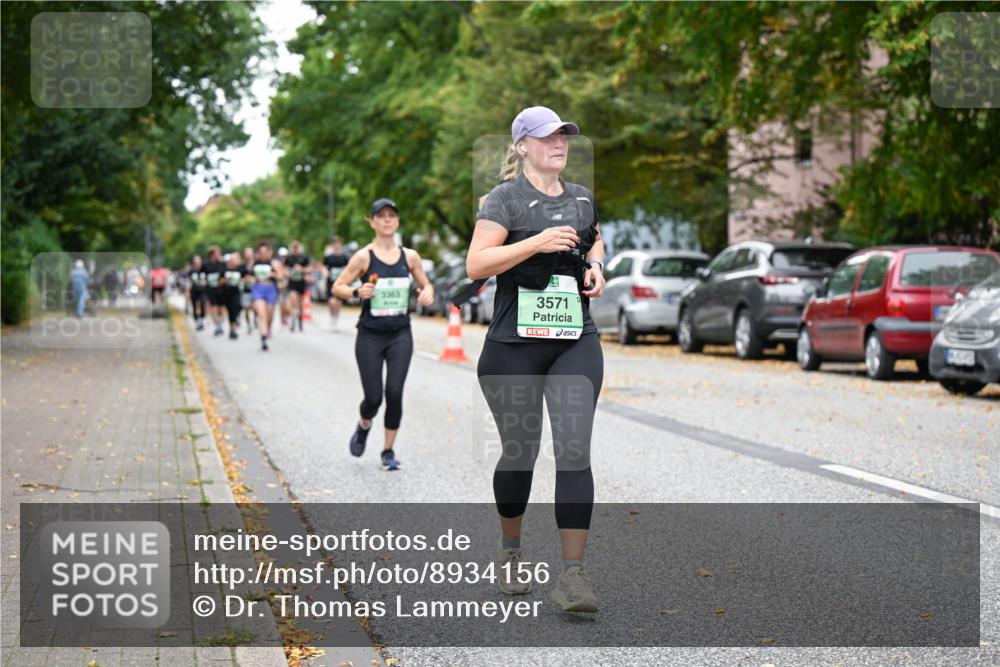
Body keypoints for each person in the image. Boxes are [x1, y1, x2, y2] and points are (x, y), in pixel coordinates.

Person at [464, 106, 606, 612]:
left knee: (574, 449)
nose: (559, 144)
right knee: (520, 452)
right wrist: (538, 242)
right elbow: (476, 264)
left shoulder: (583, 199)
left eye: (564, 135)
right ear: (522, 146)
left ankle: (573, 577)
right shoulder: (503, 199)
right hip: (513, 345)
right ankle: (510, 551)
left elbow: (595, 240)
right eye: (547, 137)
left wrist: (595, 266)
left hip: (574, 336)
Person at [332, 199, 434, 471]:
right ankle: (364, 423)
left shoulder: (410, 256)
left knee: (395, 392)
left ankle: (388, 451)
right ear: (373, 221)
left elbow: (427, 285)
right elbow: (337, 286)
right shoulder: (364, 257)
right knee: (374, 398)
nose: (387, 220)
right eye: (381, 216)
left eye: (392, 216)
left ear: (397, 221)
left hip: (400, 333)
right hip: (370, 335)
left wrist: (427, 293)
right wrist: (356, 292)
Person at [251, 242, 283, 351]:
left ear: (269, 253)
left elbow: (281, 276)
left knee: (269, 314)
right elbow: (248, 275)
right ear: (258, 253)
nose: (263, 254)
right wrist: (251, 279)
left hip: (270, 289)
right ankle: (263, 338)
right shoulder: (254, 263)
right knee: (262, 315)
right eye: (261, 252)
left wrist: (272, 274)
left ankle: (268, 328)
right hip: (258, 289)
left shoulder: (273, 263)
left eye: (265, 252)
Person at [324, 237, 350, 330]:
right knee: (331, 301)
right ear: (332, 245)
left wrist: (344, 272)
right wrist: (326, 272)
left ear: (340, 245)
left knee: (338, 301)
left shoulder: (344, 257)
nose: (336, 245)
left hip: (340, 282)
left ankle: (336, 317)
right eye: (334, 243)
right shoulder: (329, 257)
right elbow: (324, 267)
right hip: (330, 281)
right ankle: (332, 316)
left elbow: (348, 268)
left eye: (338, 243)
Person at [285, 241, 311, 332]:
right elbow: (284, 269)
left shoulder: (304, 258)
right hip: (292, 283)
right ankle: (293, 320)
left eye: (297, 247)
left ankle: (300, 320)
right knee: (293, 301)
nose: (295, 249)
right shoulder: (289, 258)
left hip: (301, 283)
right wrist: (290, 273)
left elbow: (309, 269)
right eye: (294, 247)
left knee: (300, 304)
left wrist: (301, 269)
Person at [203, 246, 227, 336]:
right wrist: (205, 282)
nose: (219, 255)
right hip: (211, 289)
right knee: (214, 307)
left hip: (221, 289)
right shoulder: (206, 265)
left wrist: (222, 281)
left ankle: (221, 323)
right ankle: (217, 325)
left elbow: (225, 275)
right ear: (212, 254)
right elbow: (203, 276)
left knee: (221, 308)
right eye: (217, 253)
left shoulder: (222, 264)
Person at [223, 253, 246, 340]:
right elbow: (220, 280)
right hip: (227, 292)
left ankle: (235, 325)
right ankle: (232, 329)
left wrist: (243, 280)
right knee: (230, 311)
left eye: (235, 259)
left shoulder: (240, 268)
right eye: (232, 259)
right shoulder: (224, 268)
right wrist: (227, 279)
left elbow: (246, 277)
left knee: (237, 307)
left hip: (238, 292)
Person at [241, 247, 257, 334]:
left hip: (256, 289)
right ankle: (248, 326)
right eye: (246, 253)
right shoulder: (242, 266)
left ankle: (255, 318)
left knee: (255, 307)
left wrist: (253, 279)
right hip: (246, 289)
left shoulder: (257, 264)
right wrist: (244, 279)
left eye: (249, 253)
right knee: (246, 308)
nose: (248, 255)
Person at [190, 255, 207, 330]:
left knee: (202, 304)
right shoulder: (191, 271)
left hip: (202, 290)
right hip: (194, 290)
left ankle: (202, 320)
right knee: (195, 305)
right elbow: (188, 281)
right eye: (196, 262)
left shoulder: (204, 270)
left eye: (198, 262)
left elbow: (208, 279)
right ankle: (197, 321)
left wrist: (205, 283)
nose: (197, 264)